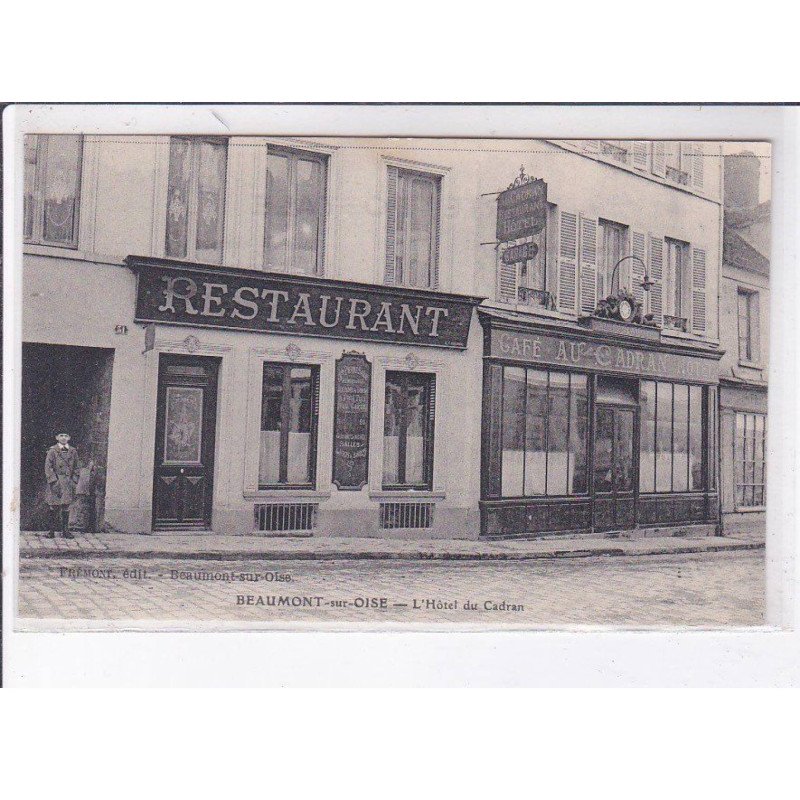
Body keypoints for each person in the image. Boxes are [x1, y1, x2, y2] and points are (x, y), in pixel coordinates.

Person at [44, 432, 79, 538]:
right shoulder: (52, 451)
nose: (63, 438)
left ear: (69, 438)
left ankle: (65, 531)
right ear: (56, 438)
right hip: (56, 482)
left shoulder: (73, 451)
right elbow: (48, 467)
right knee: (54, 506)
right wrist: (53, 481)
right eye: (61, 435)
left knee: (66, 506)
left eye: (66, 436)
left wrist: (74, 480)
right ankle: (51, 531)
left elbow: (77, 467)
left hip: (68, 482)